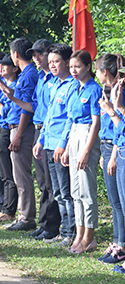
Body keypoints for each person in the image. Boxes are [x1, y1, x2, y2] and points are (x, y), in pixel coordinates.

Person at [35, 43, 76, 247]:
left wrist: (62, 144)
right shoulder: (55, 84)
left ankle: (70, 231)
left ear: (67, 62)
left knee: (66, 192)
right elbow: (50, 116)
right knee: (57, 191)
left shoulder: (72, 85)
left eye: (56, 61)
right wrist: (41, 140)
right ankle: (63, 230)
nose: (52, 65)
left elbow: (69, 119)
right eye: (50, 61)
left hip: (61, 145)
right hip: (49, 143)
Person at [62, 50, 101, 254]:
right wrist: (68, 148)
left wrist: (86, 151)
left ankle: (89, 237)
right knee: (76, 191)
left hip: (87, 136)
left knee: (87, 190)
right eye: (71, 67)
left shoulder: (94, 89)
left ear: (88, 67)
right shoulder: (76, 89)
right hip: (75, 134)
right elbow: (71, 121)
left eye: (77, 66)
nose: (74, 71)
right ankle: (79, 234)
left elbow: (96, 123)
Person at [0, 37, 38, 232]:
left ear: (15, 55)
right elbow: (18, 98)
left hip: (21, 128)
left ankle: (27, 217)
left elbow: (27, 109)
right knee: (18, 175)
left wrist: (19, 134)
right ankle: (24, 215)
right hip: (14, 126)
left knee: (22, 176)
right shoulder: (24, 74)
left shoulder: (30, 74)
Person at [27, 39, 62, 241]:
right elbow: (36, 106)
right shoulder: (41, 78)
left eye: (39, 53)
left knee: (51, 183)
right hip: (38, 129)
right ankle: (44, 223)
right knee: (42, 181)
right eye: (34, 54)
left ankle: (52, 225)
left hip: (49, 132)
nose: (37, 58)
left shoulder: (57, 80)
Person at [96, 53, 125, 263]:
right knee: (116, 203)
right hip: (109, 146)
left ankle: (121, 245)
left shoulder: (119, 93)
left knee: (121, 204)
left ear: (105, 72)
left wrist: (112, 110)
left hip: (117, 149)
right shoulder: (110, 91)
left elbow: (119, 127)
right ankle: (117, 242)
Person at [0, 53, 18, 224]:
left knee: (7, 174)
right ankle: (4, 207)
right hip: (0, 129)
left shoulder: (12, 86)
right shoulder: (4, 85)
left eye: (6, 65)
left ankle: (8, 210)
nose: (2, 68)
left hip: (6, 130)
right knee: (1, 173)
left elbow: (4, 111)